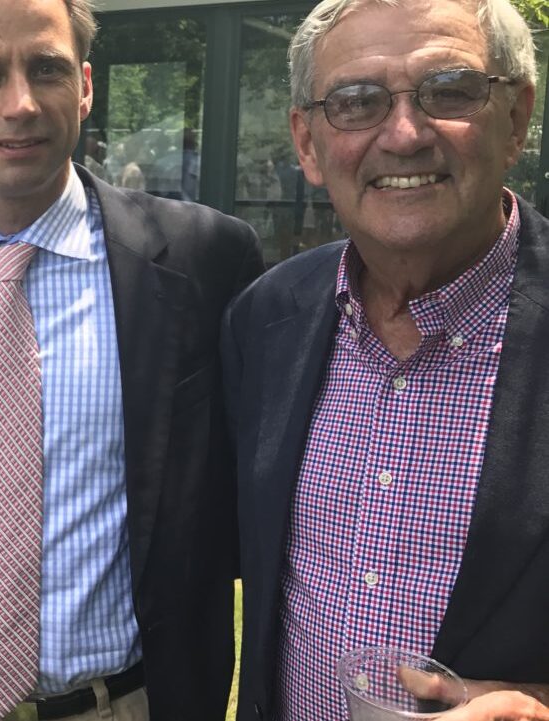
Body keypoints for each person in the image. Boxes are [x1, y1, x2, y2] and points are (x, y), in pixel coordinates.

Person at [0, 1, 263, 719]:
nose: (21, 103)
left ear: (87, 85)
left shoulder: (203, 260)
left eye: (47, 70)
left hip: (122, 702)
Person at [222, 1, 549, 720]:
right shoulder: (264, 320)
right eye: (357, 102)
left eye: (451, 90)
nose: (403, 134)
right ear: (307, 143)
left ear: (517, 118)